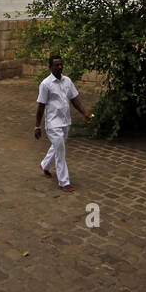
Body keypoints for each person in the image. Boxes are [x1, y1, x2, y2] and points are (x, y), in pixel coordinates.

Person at [33, 54, 93, 192]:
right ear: (50, 67)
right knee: (60, 151)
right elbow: (41, 106)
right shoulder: (45, 84)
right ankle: (64, 182)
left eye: (61, 64)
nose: (59, 67)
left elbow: (75, 99)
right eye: (56, 65)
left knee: (57, 146)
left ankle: (45, 165)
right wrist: (37, 126)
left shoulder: (67, 81)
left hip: (65, 121)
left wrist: (85, 114)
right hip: (53, 123)